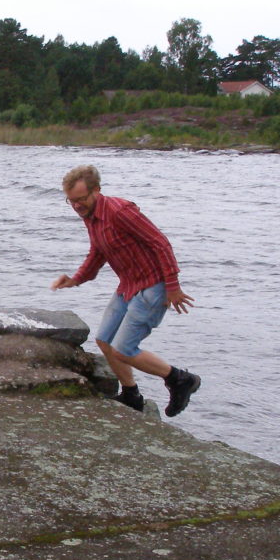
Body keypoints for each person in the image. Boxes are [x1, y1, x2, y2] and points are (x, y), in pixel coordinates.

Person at [50, 164, 201, 417]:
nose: (77, 206)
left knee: (124, 349)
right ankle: (132, 395)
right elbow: (98, 253)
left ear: (96, 190)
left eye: (81, 199)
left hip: (154, 286)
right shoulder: (90, 216)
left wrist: (172, 287)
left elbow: (161, 244)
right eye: (71, 201)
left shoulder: (120, 212)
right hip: (128, 286)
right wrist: (76, 279)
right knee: (104, 340)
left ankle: (180, 379)